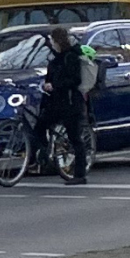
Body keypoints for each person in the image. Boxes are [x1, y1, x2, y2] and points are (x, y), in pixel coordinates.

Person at [30, 23, 97, 184]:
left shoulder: (70, 57)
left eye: (52, 41)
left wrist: (55, 85)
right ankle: (45, 154)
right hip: (57, 102)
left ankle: (80, 175)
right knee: (39, 126)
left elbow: (75, 80)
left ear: (58, 41)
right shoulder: (55, 58)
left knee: (75, 138)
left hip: (70, 102)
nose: (51, 44)